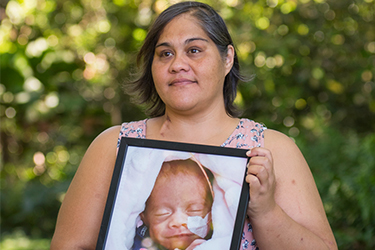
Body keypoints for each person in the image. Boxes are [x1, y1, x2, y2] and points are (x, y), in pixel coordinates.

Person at [51, 1, 338, 250]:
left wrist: (266, 211)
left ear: (227, 59)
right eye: (165, 54)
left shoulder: (270, 149)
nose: (178, 64)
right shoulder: (112, 146)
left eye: (194, 50)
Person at [132, 159, 214, 250]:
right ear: (144, 217)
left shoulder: (221, 241)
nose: (178, 222)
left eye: (195, 210)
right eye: (162, 213)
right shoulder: (142, 244)